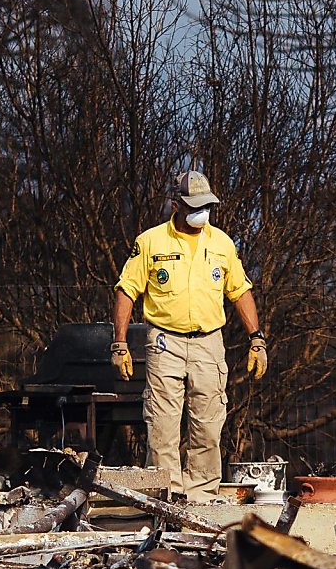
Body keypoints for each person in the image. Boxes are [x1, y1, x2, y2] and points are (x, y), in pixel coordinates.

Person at [112, 171, 267, 501]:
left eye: (207, 205)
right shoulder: (150, 242)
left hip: (209, 342)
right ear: (175, 205)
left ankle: (202, 497)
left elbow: (240, 290)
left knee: (208, 423)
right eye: (195, 206)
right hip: (164, 341)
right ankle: (166, 497)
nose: (202, 212)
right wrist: (120, 343)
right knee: (163, 423)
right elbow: (127, 290)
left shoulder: (222, 243)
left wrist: (257, 338)